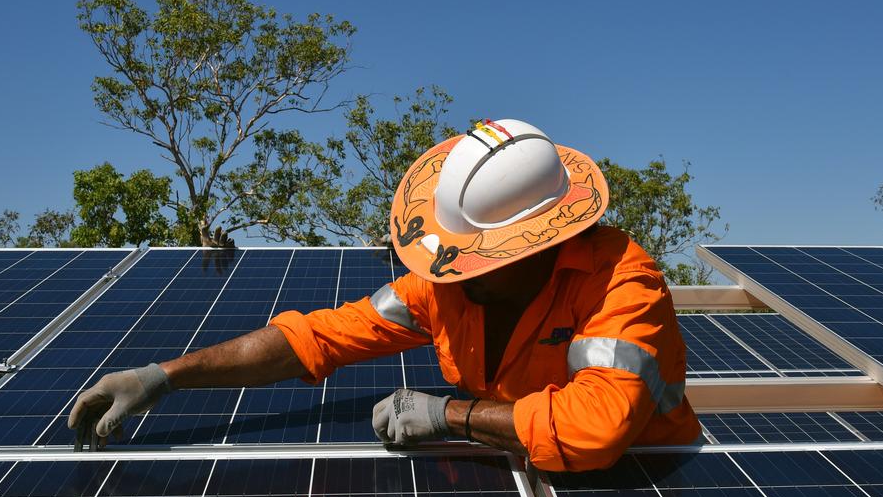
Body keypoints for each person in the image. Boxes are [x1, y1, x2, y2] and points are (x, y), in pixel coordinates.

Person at [68, 119, 701, 471]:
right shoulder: (446, 286)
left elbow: (596, 432)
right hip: (509, 470)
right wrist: (164, 376)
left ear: (537, 247)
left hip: (641, 486)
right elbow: (317, 337)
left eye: (480, 259)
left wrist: (450, 416)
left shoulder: (620, 285)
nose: (457, 273)